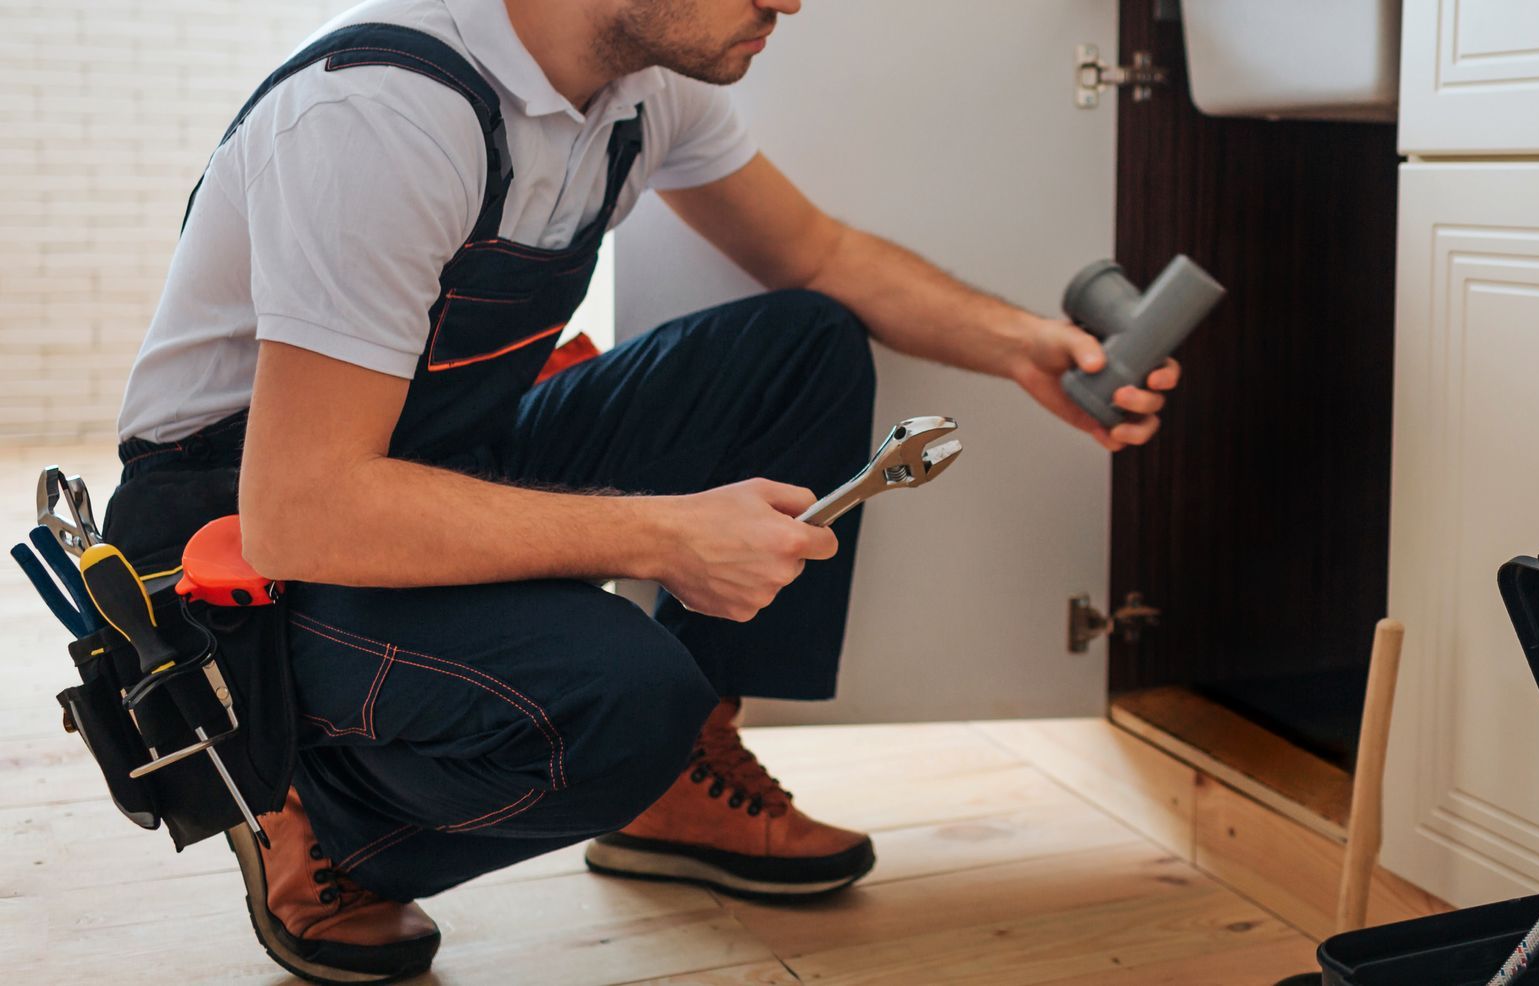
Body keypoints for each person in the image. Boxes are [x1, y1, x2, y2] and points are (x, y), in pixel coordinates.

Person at [110, 0, 1182, 981]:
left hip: (431, 451)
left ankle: (683, 784)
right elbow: (306, 510)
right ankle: (325, 808)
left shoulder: (641, 89)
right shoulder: (382, 117)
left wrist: (1025, 347)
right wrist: (662, 537)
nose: (792, 2)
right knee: (626, 699)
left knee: (801, 344)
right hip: (237, 545)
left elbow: (822, 253)